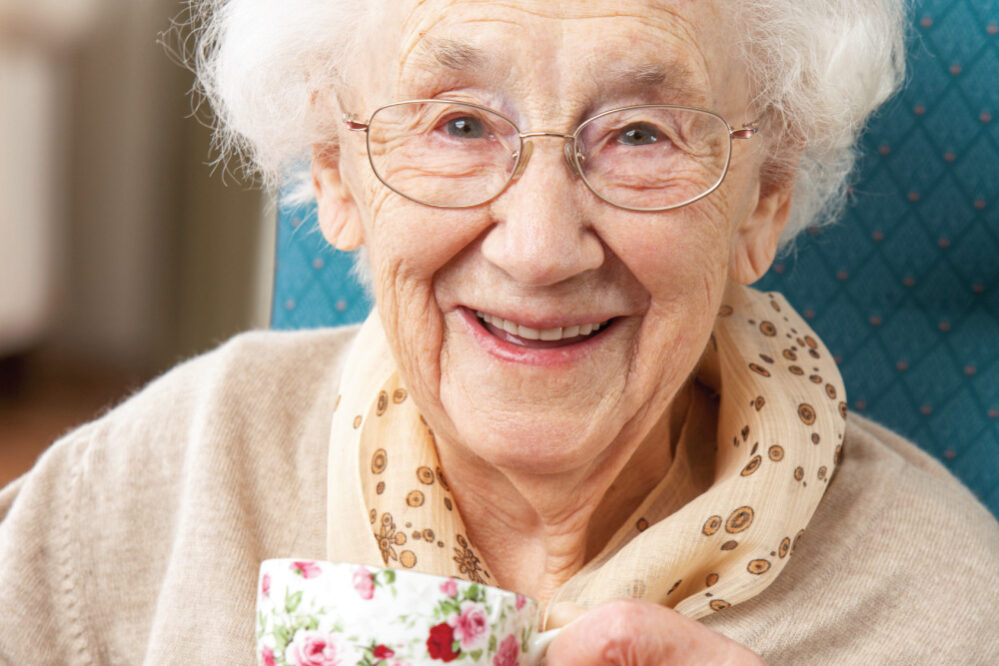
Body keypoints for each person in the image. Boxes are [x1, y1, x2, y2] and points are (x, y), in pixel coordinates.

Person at [2, 1, 998, 664]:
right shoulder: (160, 483)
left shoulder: (947, 609)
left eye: (641, 134)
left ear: (765, 198)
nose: (539, 249)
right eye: (460, 126)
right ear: (333, 171)